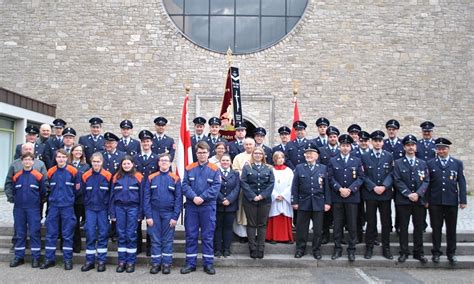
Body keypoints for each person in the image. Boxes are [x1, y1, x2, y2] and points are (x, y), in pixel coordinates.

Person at [181, 141, 221, 275]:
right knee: (191, 235)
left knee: (207, 236)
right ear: (196, 153)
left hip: (208, 207)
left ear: (209, 153)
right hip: (192, 207)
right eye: (199, 152)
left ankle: (208, 264)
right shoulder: (189, 168)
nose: (202, 155)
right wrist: (194, 197)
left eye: (204, 152)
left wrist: (202, 197)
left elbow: (216, 188)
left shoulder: (215, 169)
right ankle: (190, 263)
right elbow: (184, 186)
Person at [426, 138, 467, 265]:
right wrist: (426, 200)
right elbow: (427, 183)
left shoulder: (457, 163)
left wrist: (463, 200)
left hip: (451, 201)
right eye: (439, 148)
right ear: (436, 150)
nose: (441, 151)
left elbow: (461, 181)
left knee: (451, 229)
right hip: (435, 201)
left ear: (448, 149)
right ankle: (436, 253)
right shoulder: (430, 163)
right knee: (436, 228)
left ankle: (451, 253)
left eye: (443, 148)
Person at [41, 149, 82, 270]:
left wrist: (69, 198)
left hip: (67, 207)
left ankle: (68, 260)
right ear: (56, 158)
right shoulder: (51, 171)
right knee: (51, 234)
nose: (61, 159)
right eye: (59, 157)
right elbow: (46, 188)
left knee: (67, 234)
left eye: (63, 157)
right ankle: (49, 259)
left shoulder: (74, 171)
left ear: (67, 158)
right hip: (53, 206)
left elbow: (78, 189)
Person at [4, 143, 48, 252]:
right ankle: (18, 250)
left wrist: (41, 199)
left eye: (30, 148)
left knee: (35, 228)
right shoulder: (15, 164)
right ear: (21, 151)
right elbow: (9, 182)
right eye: (25, 149)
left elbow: (45, 184)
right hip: (20, 204)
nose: (28, 150)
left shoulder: (40, 164)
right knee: (19, 228)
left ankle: (35, 254)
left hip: (35, 204)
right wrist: (11, 197)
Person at [144, 153, 183, 274]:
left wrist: (175, 217)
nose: (164, 162)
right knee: (155, 239)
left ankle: (166, 263)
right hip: (154, 213)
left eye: (166, 160)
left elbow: (178, 199)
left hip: (169, 214)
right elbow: (146, 198)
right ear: (158, 162)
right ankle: (156, 263)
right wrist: (148, 216)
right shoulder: (151, 177)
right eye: (162, 160)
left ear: (170, 163)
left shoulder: (175, 178)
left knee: (167, 240)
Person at [393, 135, 429, 264]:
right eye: (408, 145)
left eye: (412, 145)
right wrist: (408, 194)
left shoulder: (422, 163)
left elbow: (426, 180)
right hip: (404, 200)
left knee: (418, 227)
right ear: (404, 147)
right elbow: (397, 180)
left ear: (416, 147)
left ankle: (419, 252)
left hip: (418, 201)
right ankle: (404, 252)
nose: (410, 147)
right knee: (403, 227)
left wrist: (418, 194)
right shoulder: (398, 163)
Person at [328, 134, 364, 262]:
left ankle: (352, 249)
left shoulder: (357, 160)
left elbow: (361, 178)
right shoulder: (333, 160)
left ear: (350, 147)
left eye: (347, 146)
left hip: (352, 197)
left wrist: (350, 189)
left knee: (352, 224)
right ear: (339, 147)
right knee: (337, 224)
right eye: (343, 145)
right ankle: (337, 248)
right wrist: (339, 189)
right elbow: (330, 177)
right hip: (337, 197)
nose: (345, 148)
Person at [292, 144, 331, 259]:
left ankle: (316, 250)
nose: (308, 155)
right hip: (303, 202)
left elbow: (326, 187)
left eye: (311, 154)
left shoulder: (323, 168)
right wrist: (294, 201)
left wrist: (327, 202)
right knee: (301, 228)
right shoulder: (299, 167)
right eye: (307, 154)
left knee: (318, 229)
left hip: (318, 203)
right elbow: (295, 186)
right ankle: (300, 249)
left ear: (316, 156)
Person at [361, 130, 394, 260]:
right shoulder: (365, 156)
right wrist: (374, 187)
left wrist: (384, 186)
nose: (378, 143)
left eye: (380, 141)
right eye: (375, 141)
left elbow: (392, 173)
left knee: (386, 222)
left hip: (385, 194)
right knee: (371, 222)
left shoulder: (389, 156)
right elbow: (362, 175)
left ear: (383, 142)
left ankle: (386, 248)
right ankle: (369, 247)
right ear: (371, 142)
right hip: (370, 194)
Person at [109, 155, 144, 273]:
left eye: (128, 163)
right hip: (119, 208)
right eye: (124, 164)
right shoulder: (116, 177)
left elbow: (143, 196)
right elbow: (112, 196)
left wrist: (140, 213)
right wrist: (112, 213)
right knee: (121, 235)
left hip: (133, 208)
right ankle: (122, 261)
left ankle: (130, 262)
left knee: (131, 235)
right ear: (121, 165)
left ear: (133, 164)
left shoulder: (138, 176)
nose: (126, 166)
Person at [240, 147, 275, 259]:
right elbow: (244, 182)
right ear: (252, 155)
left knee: (262, 224)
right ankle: (252, 248)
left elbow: (271, 183)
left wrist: (262, 196)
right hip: (250, 200)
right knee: (251, 224)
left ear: (263, 155)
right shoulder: (247, 167)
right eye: (256, 153)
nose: (258, 155)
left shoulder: (268, 168)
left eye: (260, 153)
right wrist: (253, 196)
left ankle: (261, 248)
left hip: (264, 200)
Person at [80, 152, 112, 272]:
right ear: (91, 162)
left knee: (103, 234)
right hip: (90, 210)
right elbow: (83, 193)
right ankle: (90, 261)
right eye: (94, 161)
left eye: (98, 161)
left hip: (103, 210)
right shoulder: (85, 175)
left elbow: (111, 194)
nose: (96, 164)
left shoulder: (108, 175)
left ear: (102, 162)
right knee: (90, 234)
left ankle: (101, 261)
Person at [134, 130, 158, 256]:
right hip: (137, 193)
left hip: (151, 193)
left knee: (150, 221)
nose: (146, 143)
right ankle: (138, 247)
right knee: (137, 221)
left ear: (151, 142)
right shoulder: (135, 158)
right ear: (141, 143)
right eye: (143, 141)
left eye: (148, 141)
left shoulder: (157, 158)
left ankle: (150, 248)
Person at [214, 153, 240, 257]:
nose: (225, 162)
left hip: (231, 205)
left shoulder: (235, 174)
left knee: (228, 228)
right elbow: (214, 187)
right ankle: (217, 249)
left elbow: (237, 188)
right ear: (220, 162)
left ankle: (226, 249)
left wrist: (229, 199)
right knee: (218, 227)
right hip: (218, 204)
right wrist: (221, 199)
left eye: (227, 161)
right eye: (223, 160)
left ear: (230, 162)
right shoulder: (215, 172)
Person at [266, 151, 294, 244]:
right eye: (278, 158)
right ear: (274, 160)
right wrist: (275, 195)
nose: (280, 160)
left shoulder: (289, 171)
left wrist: (283, 195)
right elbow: (269, 184)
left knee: (285, 215)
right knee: (274, 215)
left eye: (282, 158)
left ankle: (286, 237)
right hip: (274, 197)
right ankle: (273, 237)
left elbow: (291, 185)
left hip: (285, 198)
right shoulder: (271, 170)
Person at [232, 138, 256, 242]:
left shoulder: (257, 155)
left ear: (254, 145)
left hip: (254, 188)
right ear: (244, 146)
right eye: (246, 144)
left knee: (253, 212)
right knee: (241, 212)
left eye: (250, 144)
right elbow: (235, 171)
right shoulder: (238, 157)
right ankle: (242, 235)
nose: (248, 146)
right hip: (242, 188)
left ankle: (253, 234)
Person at [69, 144, 90, 253]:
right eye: (76, 150)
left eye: (80, 151)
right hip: (68, 198)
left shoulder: (86, 166)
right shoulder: (67, 165)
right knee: (69, 222)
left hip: (79, 199)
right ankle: (67, 244)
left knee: (76, 222)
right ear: (72, 152)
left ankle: (77, 246)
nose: (78, 152)